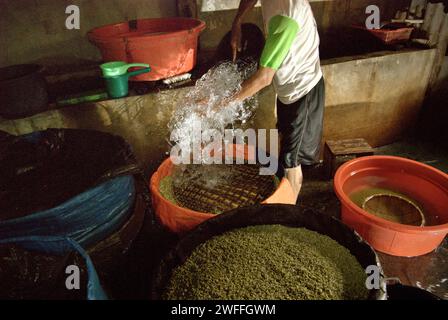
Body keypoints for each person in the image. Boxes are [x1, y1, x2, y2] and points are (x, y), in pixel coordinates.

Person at [230, 0, 325, 202]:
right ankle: (284, 190)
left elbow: (264, 77)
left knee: (292, 160)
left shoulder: (287, 16)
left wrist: (221, 105)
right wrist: (237, 21)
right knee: (284, 141)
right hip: (287, 88)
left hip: (303, 92)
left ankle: (288, 214)